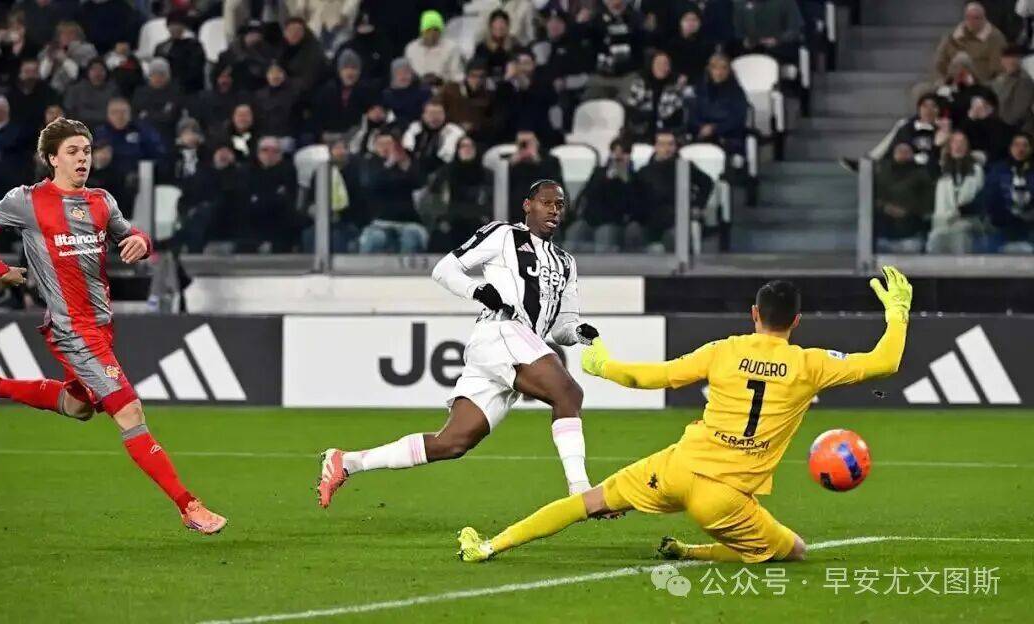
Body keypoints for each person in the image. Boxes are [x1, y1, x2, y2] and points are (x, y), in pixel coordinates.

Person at [457, 269, 912, 563]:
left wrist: (604, 365)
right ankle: (690, 550)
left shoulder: (723, 351)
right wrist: (898, 313)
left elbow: (654, 377)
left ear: (754, 314)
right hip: (724, 498)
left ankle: (491, 545)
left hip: (677, 467)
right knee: (794, 551)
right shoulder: (811, 365)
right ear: (796, 321)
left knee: (589, 502)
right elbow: (885, 362)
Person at [0, 117, 226, 535]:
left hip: (101, 325)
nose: (82, 158)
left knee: (78, 406)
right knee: (129, 411)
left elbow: (132, 235)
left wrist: (141, 241)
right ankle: (188, 506)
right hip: (71, 329)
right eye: (72, 151)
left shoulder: (101, 201)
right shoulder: (27, 200)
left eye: (86, 151)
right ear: (52, 158)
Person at [318, 180, 603, 509]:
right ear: (528, 205)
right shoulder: (504, 235)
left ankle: (347, 462)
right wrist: (477, 290)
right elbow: (444, 269)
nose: (553, 210)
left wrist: (580, 332)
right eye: (546, 202)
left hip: (519, 346)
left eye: (559, 205)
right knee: (568, 393)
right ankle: (581, 490)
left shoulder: (566, 263)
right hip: (501, 332)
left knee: (452, 442)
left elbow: (563, 326)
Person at [927, 130, 986, 253]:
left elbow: (981, 195)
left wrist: (964, 209)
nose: (959, 146)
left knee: (960, 237)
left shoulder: (976, 169)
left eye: (962, 142)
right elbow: (930, 170)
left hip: (966, 221)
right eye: (955, 142)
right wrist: (936, 147)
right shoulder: (941, 168)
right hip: (942, 223)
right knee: (935, 241)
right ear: (949, 146)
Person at [874, 142, 935, 253]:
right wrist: (886, 208)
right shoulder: (881, 173)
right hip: (884, 232)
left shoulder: (922, 174)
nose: (903, 154)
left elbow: (929, 202)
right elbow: (872, 198)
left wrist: (908, 211)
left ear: (912, 154)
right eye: (900, 151)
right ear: (893, 153)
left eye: (906, 151)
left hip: (912, 232)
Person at [687, 53, 749, 155]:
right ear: (709, 70)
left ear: (729, 71)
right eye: (715, 68)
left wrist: (715, 128)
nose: (719, 72)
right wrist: (701, 127)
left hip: (728, 137)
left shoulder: (737, 92)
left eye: (723, 68)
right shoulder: (700, 89)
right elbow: (692, 115)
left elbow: (738, 119)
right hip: (702, 135)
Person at [983, 132, 1034, 252]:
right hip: (1003, 223)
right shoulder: (997, 170)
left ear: (1031, 149)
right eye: (1017, 145)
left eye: (1025, 145)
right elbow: (991, 199)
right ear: (1010, 148)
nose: (1020, 149)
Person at [623, 50, 688, 142]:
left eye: (665, 64)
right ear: (651, 65)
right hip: (642, 129)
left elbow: (673, 112)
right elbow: (633, 106)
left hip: (667, 130)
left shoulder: (676, 84)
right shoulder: (640, 81)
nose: (662, 67)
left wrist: (678, 88)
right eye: (658, 64)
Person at [404, 10, 465, 85]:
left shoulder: (452, 48)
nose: (432, 34)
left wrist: (441, 80)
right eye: (428, 30)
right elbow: (406, 75)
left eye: (436, 30)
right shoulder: (411, 49)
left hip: (444, 89)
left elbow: (457, 76)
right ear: (422, 31)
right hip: (417, 89)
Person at [152, 11, 207, 94]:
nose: (175, 28)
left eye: (178, 24)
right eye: (172, 25)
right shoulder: (161, 47)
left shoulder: (194, 46)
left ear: (183, 26)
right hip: (163, 88)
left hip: (187, 90)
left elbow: (195, 70)